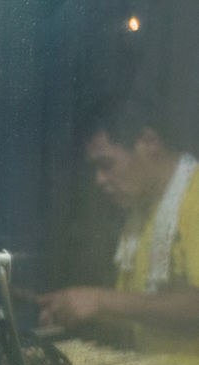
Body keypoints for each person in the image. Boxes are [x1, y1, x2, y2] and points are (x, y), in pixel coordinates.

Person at [37, 92, 199, 349]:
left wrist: (100, 300)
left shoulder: (195, 196)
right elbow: (141, 312)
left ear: (150, 142)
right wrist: (77, 308)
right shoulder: (141, 214)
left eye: (106, 164)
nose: (99, 180)